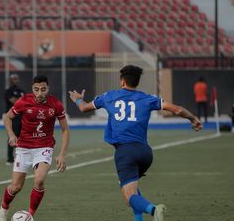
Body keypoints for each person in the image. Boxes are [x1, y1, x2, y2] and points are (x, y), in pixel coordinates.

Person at [69, 65, 202, 221]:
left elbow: (84, 107)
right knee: (129, 192)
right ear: (137, 81)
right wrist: (193, 118)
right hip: (145, 152)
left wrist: (78, 99)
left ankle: (153, 210)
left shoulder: (109, 96)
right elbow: (177, 110)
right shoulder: (147, 98)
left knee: (129, 197)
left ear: (122, 81)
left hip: (125, 153)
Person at [0, 75, 70, 221]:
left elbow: (65, 130)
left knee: (39, 180)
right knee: (16, 187)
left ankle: (29, 216)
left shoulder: (56, 104)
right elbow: (7, 118)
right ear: (32, 89)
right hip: (24, 148)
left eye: (43, 89)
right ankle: (3, 209)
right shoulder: (24, 101)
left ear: (48, 88)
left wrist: (62, 154)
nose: (40, 93)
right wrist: (11, 135)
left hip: (44, 146)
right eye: (36, 89)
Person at [4, 74, 25, 165]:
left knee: (23, 136)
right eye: (14, 79)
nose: (16, 80)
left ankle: (21, 156)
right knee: (12, 136)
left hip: (23, 116)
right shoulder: (8, 91)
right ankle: (10, 159)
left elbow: (25, 102)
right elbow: (14, 101)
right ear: (10, 80)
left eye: (17, 78)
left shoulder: (22, 91)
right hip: (13, 117)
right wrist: (21, 101)